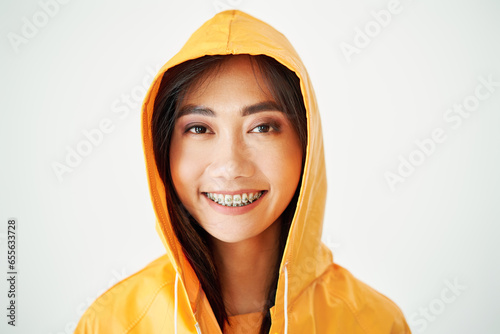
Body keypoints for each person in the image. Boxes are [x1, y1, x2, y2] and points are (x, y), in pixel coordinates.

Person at [75, 9, 411, 334]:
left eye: (262, 127)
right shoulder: (112, 325)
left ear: (306, 145)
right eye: (199, 129)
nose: (230, 167)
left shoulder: (374, 324)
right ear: (164, 148)